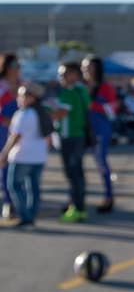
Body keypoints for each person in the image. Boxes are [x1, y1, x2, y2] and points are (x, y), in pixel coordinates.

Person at [0, 82, 51, 228]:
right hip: (39, 157)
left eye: (22, 95)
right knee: (33, 188)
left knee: (14, 185)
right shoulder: (42, 113)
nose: (18, 98)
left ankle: (26, 216)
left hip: (22, 156)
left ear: (31, 97)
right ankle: (31, 216)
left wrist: (4, 154)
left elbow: (15, 135)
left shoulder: (23, 114)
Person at [50, 61, 92, 223]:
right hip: (79, 136)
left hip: (70, 138)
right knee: (78, 174)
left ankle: (77, 208)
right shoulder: (82, 90)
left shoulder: (69, 92)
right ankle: (77, 206)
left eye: (64, 74)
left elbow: (60, 114)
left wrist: (45, 114)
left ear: (74, 74)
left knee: (73, 174)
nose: (61, 77)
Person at [82, 56, 119, 213]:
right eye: (83, 67)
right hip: (82, 130)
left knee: (101, 163)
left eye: (89, 67)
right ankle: (76, 198)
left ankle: (108, 196)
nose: (86, 70)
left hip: (100, 129)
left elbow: (113, 110)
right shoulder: (81, 87)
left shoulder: (105, 87)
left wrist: (94, 105)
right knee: (75, 165)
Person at [0, 52, 20, 220]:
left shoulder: (22, 85)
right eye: (14, 66)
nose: (17, 69)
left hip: (23, 133)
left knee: (22, 166)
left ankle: (21, 201)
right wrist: (4, 119)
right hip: (4, 132)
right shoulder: (1, 86)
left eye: (19, 66)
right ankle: (8, 202)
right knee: (5, 166)